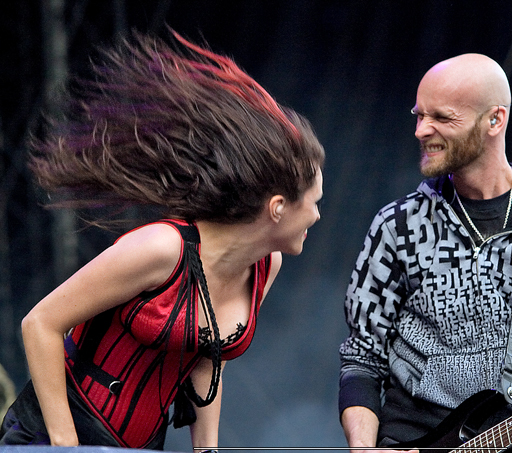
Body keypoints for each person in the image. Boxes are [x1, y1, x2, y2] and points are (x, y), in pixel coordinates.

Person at [0, 30, 324, 449]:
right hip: (55, 437)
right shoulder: (162, 248)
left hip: (141, 445)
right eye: (313, 202)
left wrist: (206, 449)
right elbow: (40, 324)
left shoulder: (265, 265)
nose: (317, 215)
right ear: (277, 207)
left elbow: (207, 360)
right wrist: (67, 447)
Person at [338, 53, 512, 452]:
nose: (420, 130)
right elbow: (362, 358)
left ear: (495, 120)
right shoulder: (396, 225)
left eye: (441, 118)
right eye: (418, 115)